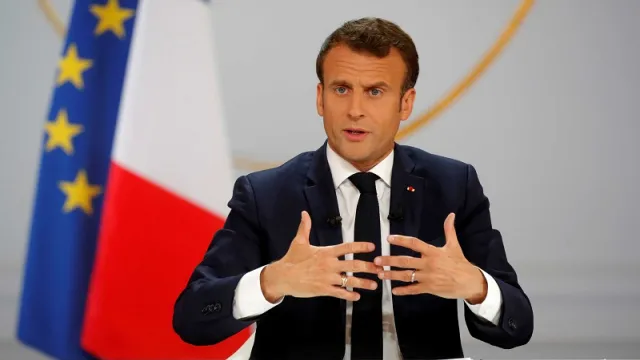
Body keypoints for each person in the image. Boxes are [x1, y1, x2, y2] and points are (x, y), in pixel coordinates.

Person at [172, 17, 533, 360]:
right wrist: (271, 282)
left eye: (375, 91)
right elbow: (192, 317)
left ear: (405, 103)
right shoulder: (266, 193)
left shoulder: (453, 186)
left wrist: (476, 286)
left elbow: (517, 327)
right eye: (341, 89)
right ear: (320, 97)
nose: (355, 110)